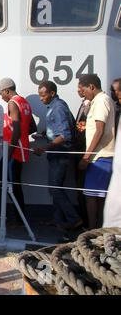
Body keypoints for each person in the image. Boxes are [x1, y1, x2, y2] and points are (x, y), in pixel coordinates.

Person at [34, 81, 82, 231]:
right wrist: (43, 134)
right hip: (56, 153)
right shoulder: (54, 107)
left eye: (43, 95)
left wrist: (44, 147)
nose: (41, 98)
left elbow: (65, 135)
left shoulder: (58, 107)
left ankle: (74, 219)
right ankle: (58, 219)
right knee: (55, 187)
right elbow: (56, 129)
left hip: (61, 154)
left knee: (55, 188)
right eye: (39, 95)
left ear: (52, 93)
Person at [0, 78, 37, 224]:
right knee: (14, 184)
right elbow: (32, 127)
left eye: (1, 93)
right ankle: (19, 217)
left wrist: (9, 151)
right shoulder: (25, 102)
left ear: (7, 90)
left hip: (13, 150)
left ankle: (3, 216)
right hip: (21, 148)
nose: (2, 97)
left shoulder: (12, 103)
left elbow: (16, 129)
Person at [78, 74, 116, 230]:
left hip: (101, 156)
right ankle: (98, 230)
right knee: (98, 197)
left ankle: (93, 231)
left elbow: (99, 131)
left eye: (84, 89)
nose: (82, 92)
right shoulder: (98, 101)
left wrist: (86, 157)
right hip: (99, 156)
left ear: (92, 87)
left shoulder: (101, 101)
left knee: (92, 197)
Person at [74, 83, 91, 228]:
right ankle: (83, 220)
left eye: (81, 87)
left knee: (84, 189)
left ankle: (87, 224)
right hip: (78, 151)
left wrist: (86, 156)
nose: (78, 90)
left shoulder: (93, 105)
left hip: (85, 152)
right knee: (79, 189)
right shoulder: (83, 104)